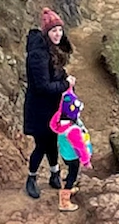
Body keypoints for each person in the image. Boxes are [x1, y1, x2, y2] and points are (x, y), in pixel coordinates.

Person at [21, 9, 69, 199]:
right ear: (46, 33)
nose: (58, 34)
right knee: (41, 144)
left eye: (59, 30)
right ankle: (31, 179)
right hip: (39, 109)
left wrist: (64, 77)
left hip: (51, 107)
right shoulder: (38, 55)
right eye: (54, 30)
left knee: (52, 142)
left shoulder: (51, 50)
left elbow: (54, 73)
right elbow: (42, 86)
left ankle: (54, 174)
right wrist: (66, 84)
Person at [49, 78, 91, 210]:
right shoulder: (73, 131)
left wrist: (69, 88)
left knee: (70, 171)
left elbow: (65, 102)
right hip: (73, 156)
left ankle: (68, 183)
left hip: (65, 153)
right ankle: (64, 200)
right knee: (74, 173)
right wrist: (86, 161)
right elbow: (80, 147)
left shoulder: (59, 122)